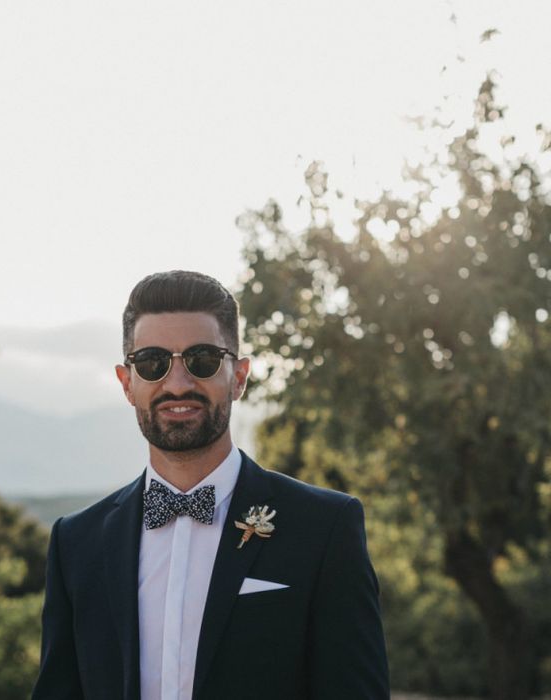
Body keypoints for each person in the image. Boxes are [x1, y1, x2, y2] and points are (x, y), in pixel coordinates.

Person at [31, 270, 389, 700]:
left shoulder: (325, 528)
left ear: (238, 377)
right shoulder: (76, 543)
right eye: (152, 362)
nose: (177, 383)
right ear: (128, 384)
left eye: (202, 360)